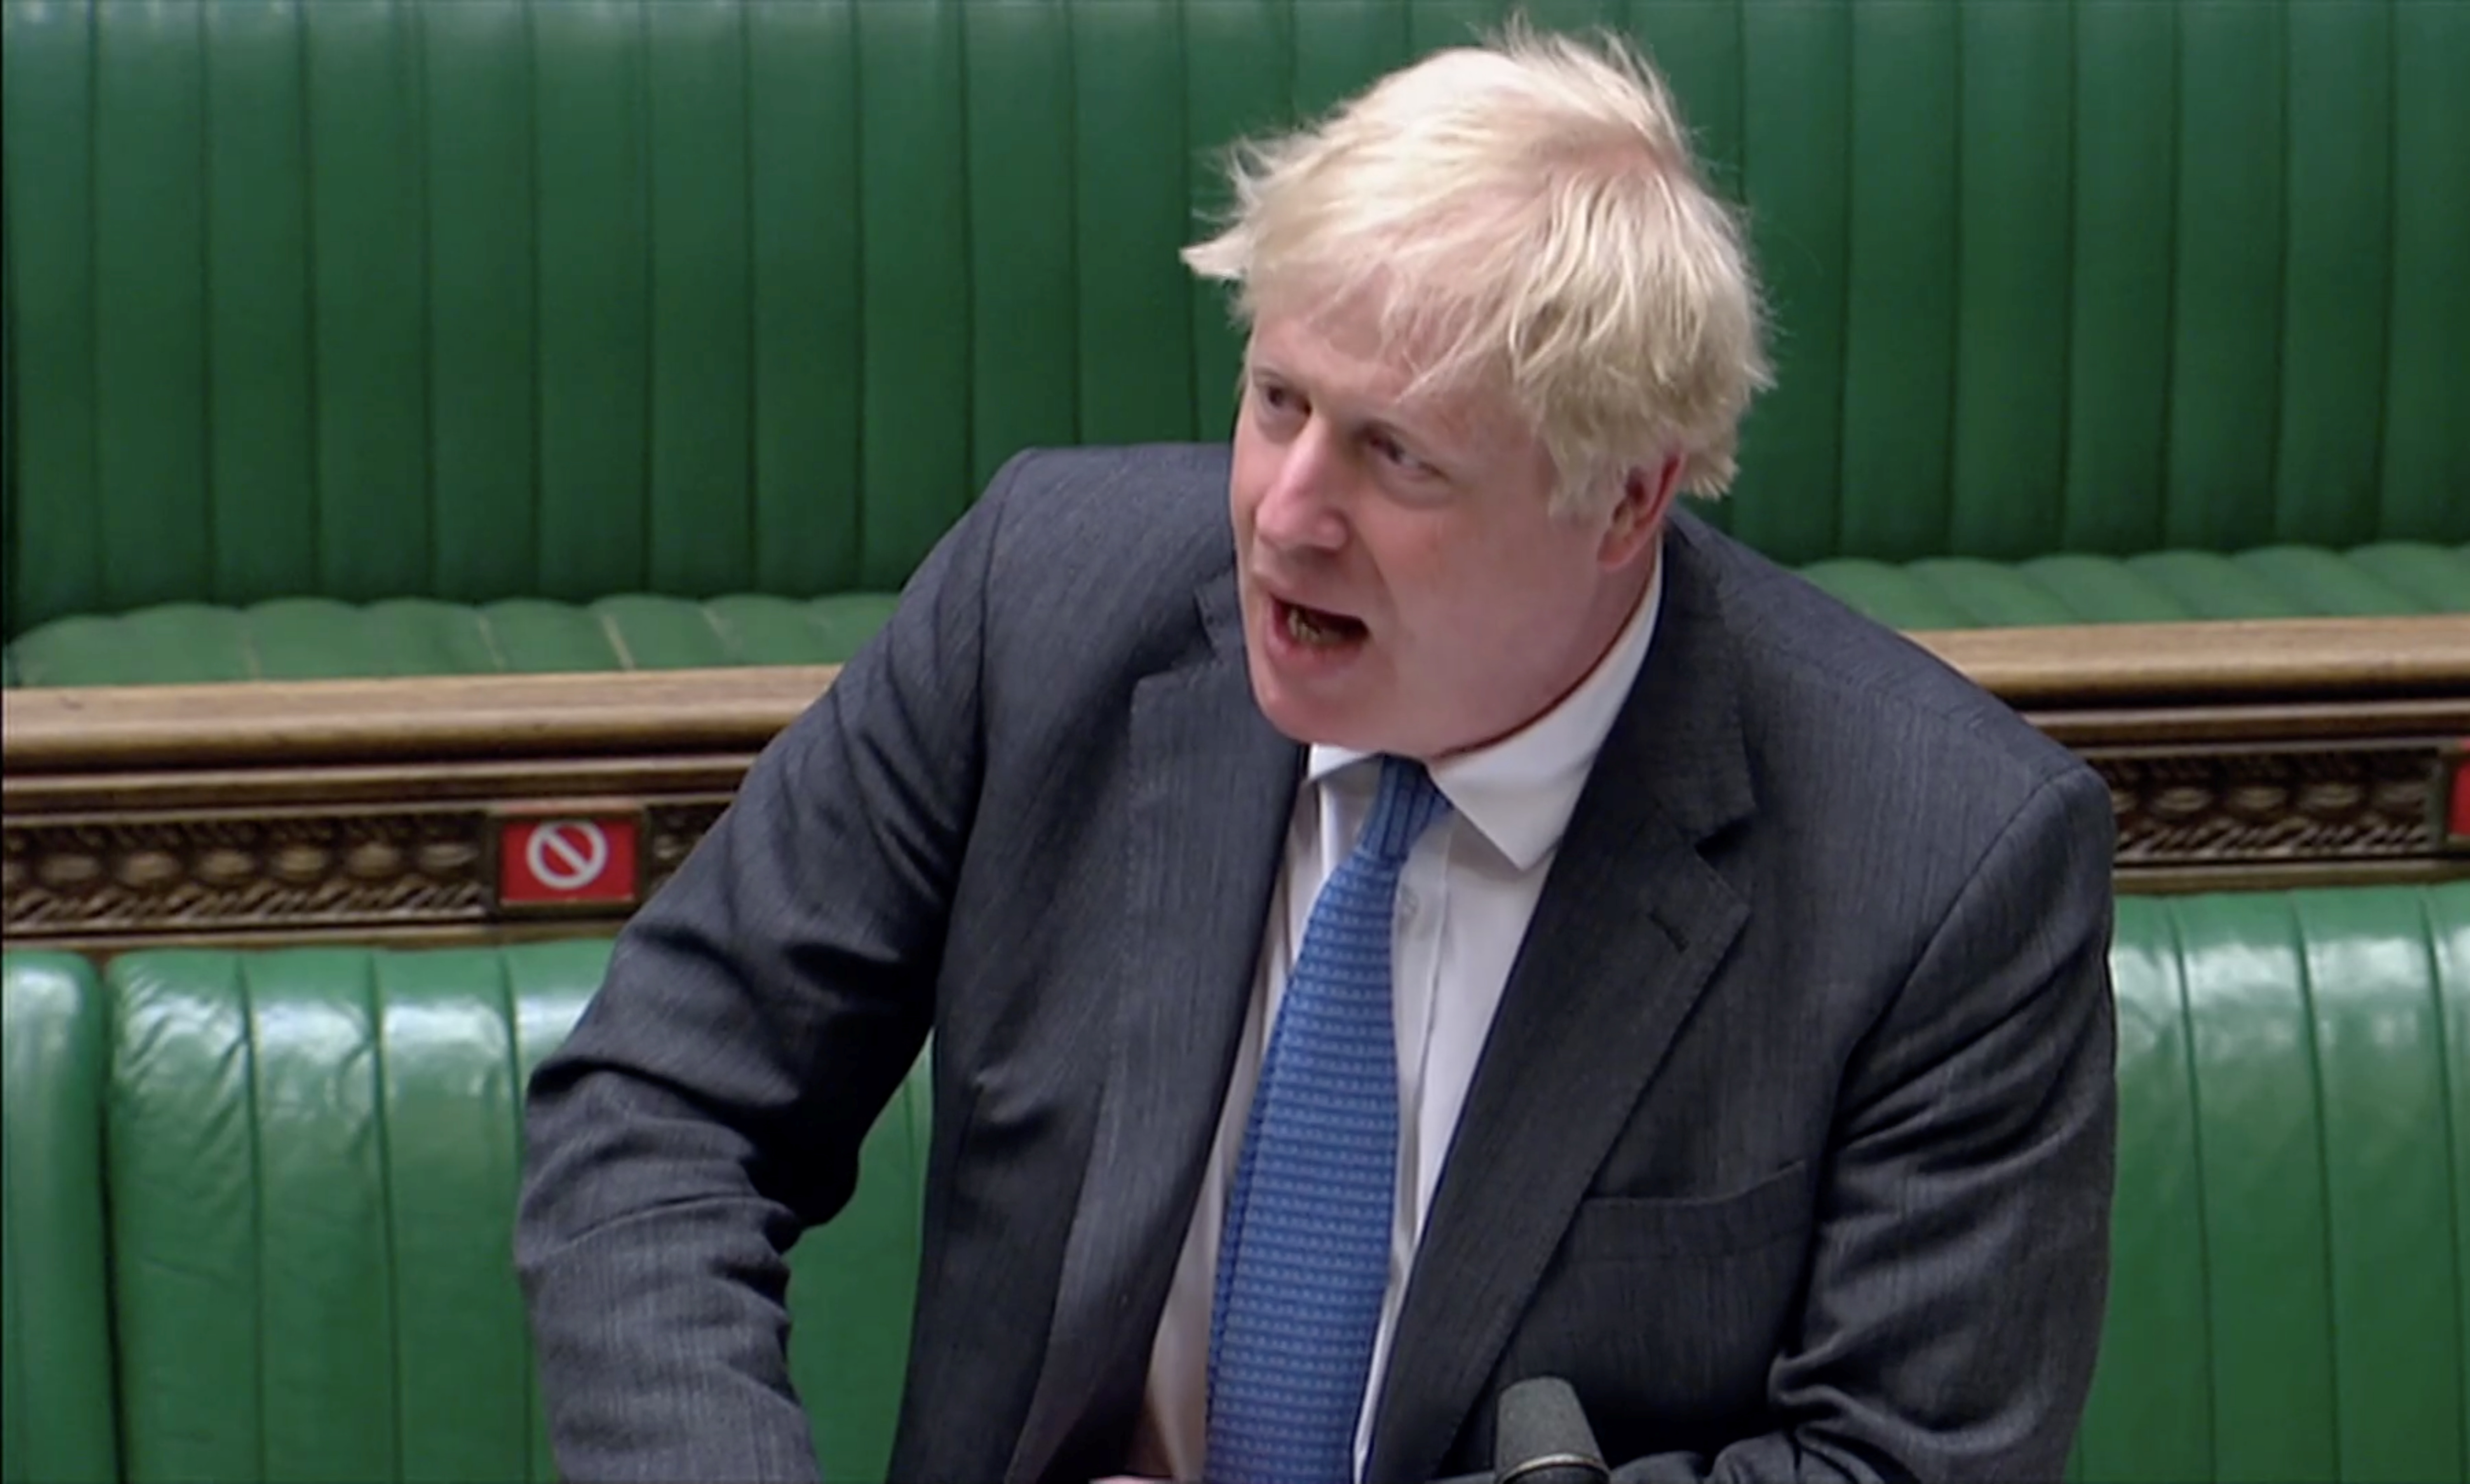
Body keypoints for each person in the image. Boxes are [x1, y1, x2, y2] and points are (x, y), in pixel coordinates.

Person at [516, 23, 2117, 1484]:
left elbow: (1909, 1463)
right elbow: (662, 1104)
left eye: (1396, 456)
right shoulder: (1047, 604)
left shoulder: (1945, 863)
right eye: (1277, 398)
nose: (1283, 516)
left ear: (1629, 497)